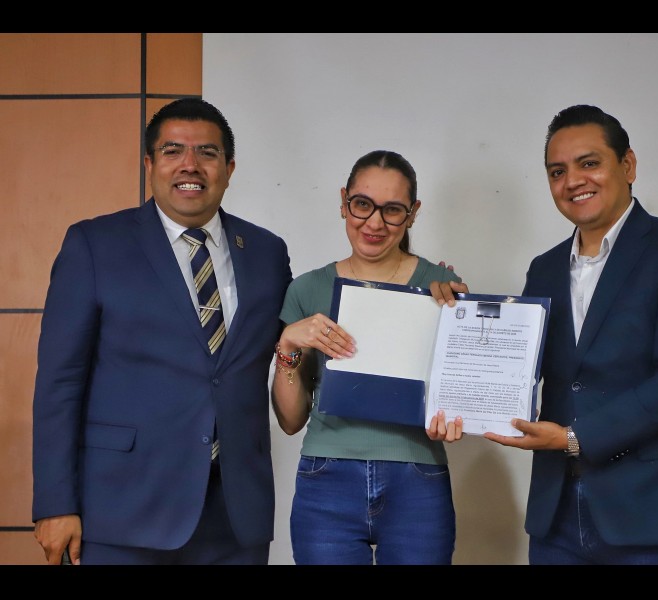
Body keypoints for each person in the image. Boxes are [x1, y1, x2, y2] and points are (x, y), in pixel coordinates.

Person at [432, 104, 658, 564]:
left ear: (627, 165)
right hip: (556, 521)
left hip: (654, 514)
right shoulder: (544, 268)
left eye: (588, 163)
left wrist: (574, 437)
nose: (572, 181)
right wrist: (461, 316)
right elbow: (520, 370)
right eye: (557, 172)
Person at [31, 98, 292, 565]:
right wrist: (55, 503)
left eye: (207, 152)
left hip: (235, 516)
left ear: (229, 169)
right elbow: (59, 383)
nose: (190, 164)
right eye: (173, 151)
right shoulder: (94, 245)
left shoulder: (267, 253)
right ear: (150, 164)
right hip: (123, 509)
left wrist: (420, 289)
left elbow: (297, 337)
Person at [271, 149, 463, 565]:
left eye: (392, 210)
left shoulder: (442, 286)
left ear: (412, 214)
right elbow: (290, 421)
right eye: (362, 204)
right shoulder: (306, 289)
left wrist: (459, 406)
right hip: (326, 479)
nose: (374, 223)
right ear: (344, 202)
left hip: (418, 481)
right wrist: (287, 345)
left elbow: (460, 394)